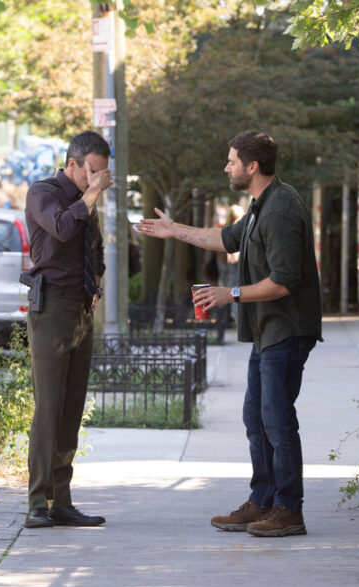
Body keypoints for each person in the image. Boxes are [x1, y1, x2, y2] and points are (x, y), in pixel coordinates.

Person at [136, 131, 322, 537]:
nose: (227, 167)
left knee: (276, 419)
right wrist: (174, 230)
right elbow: (226, 239)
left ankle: (289, 509)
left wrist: (230, 294)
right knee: (255, 418)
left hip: (287, 329)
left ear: (252, 167)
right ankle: (263, 501)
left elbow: (285, 281)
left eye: (232, 161)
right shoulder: (260, 205)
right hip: (266, 330)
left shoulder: (281, 211)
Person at [23, 131, 114, 529]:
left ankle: (62, 501)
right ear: (73, 163)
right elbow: (61, 229)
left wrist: (96, 284)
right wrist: (91, 195)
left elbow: (94, 249)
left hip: (80, 307)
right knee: (49, 409)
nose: (97, 180)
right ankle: (36, 504)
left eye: (103, 175)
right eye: (93, 172)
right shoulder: (43, 193)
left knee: (71, 410)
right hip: (52, 309)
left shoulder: (85, 201)